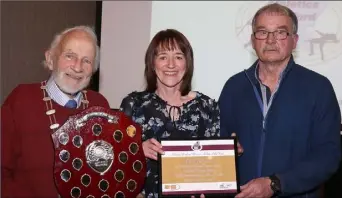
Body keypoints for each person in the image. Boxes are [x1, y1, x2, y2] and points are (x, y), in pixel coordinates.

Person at [218, 3, 341, 198]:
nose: (270, 40)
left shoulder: (318, 88)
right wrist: (228, 148)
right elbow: (219, 142)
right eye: (262, 32)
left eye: (280, 32)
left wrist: (276, 183)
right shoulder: (234, 87)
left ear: (295, 40)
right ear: (252, 40)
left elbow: (328, 156)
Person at [1, 25, 110, 198]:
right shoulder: (21, 100)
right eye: (69, 56)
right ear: (50, 59)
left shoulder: (99, 105)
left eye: (87, 60)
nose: (77, 67)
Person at [119, 29, 220, 198]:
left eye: (179, 57)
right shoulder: (133, 105)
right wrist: (136, 149)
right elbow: (113, 159)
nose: (171, 65)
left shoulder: (207, 107)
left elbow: (214, 166)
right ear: (152, 63)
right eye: (163, 57)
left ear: (187, 64)